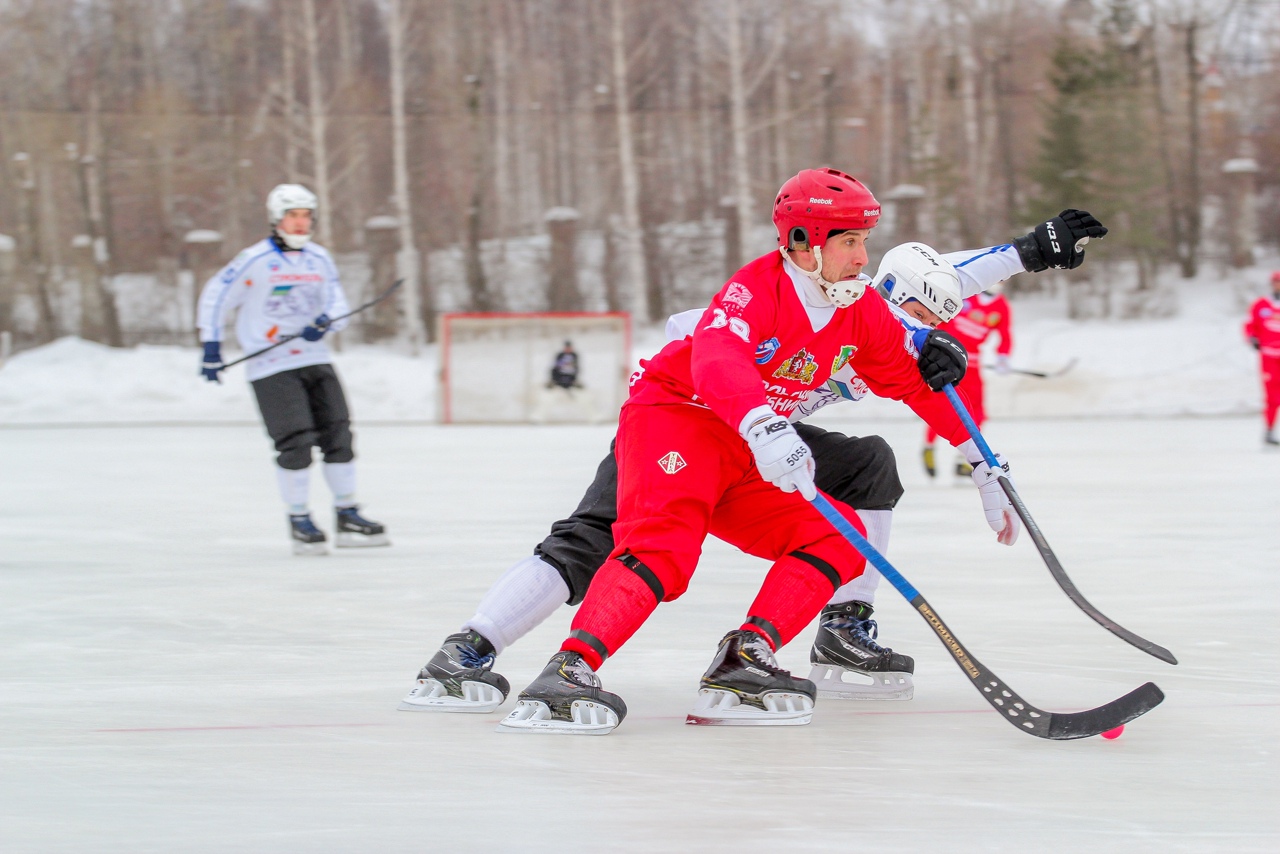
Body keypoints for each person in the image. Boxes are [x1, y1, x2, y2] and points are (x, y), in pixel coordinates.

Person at [400, 208, 1109, 719]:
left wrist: (1028, 253)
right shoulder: (851, 301)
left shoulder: (888, 311)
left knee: (868, 465)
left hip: (757, 431)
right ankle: (472, 646)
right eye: (923, 321)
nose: (931, 333)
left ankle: (840, 624)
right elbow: (886, 310)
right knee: (596, 539)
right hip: (684, 410)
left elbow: (947, 280)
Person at [197, 184, 389, 555]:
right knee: (296, 443)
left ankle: (347, 513)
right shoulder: (253, 260)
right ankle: (299, 519)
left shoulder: (319, 259)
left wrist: (326, 321)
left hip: (315, 359)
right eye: (293, 216)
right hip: (271, 365)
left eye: (306, 216)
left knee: (339, 435)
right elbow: (215, 297)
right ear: (276, 219)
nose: (300, 223)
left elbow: (337, 303)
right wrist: (211, 346)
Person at [922, 281, 1014, 479]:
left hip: (972, 367)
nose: (999, 283)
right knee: (944, 408)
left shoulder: (1001, 306)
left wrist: (1003, 356)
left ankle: (963, 461)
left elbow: (1005, 334)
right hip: (947, 361)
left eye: (1003, 279)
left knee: (977, 412)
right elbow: (941, 318)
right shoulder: (967, 296)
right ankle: (929, 447)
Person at [1244, 271, 1280, 447]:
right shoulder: (1261, 305)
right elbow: (1250, 325)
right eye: (1276, 282)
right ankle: (1269, 431)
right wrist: (1252, 338)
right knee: (1272, 397)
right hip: (1269, 357)